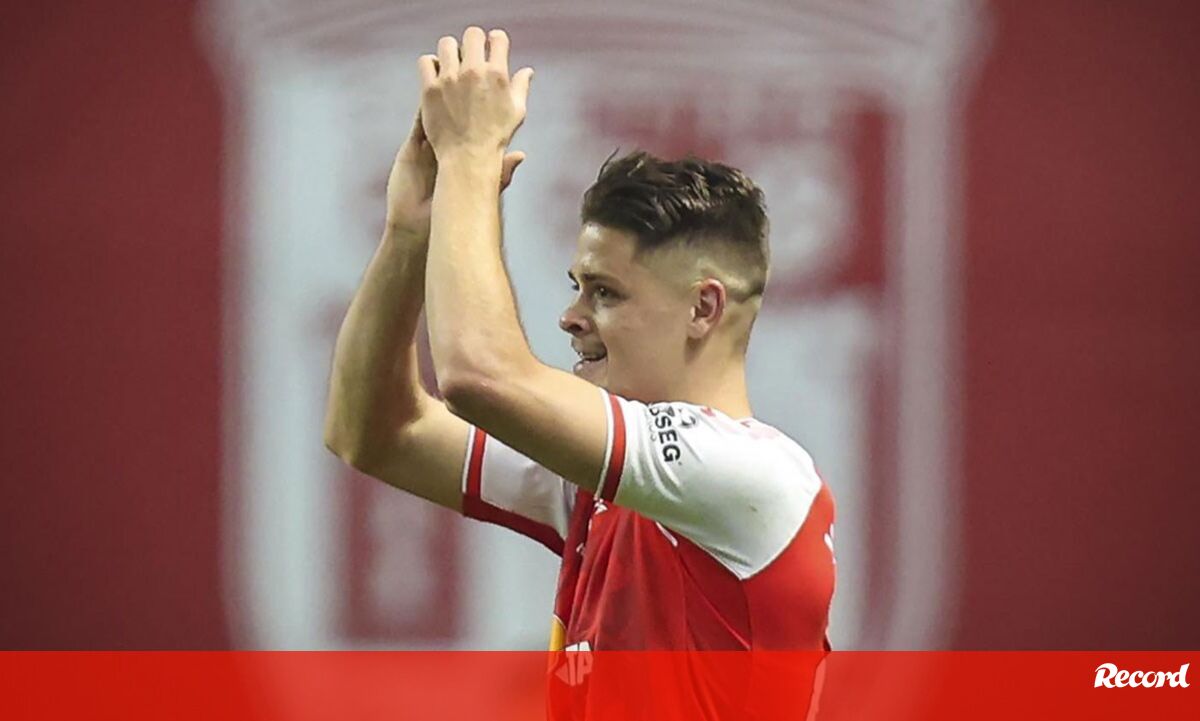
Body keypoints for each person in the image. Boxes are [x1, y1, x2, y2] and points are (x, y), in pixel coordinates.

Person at [323, 26, 835, 717]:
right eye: (578, 287)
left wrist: (471, 159)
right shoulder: (612, 492)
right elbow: (376, 432)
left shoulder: (748, 474)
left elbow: (479, 377)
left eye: (605, 293)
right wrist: (410, 234)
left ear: (703, 308)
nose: (570, 317)